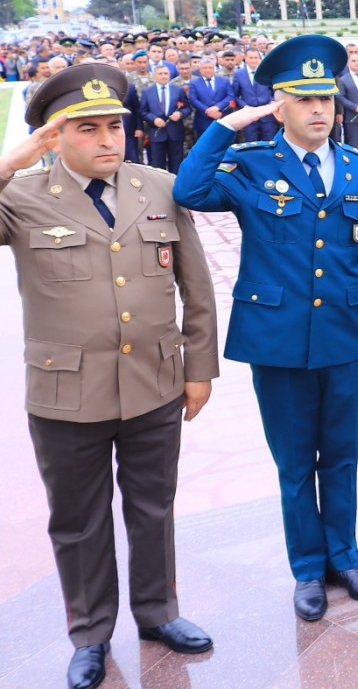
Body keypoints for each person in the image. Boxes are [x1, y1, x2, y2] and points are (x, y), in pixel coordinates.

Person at [0, 64, 219, 689]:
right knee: (78, 519)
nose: (107, 140)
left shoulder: (160, 187)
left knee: (153, 507)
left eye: (115, 128)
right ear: (53, 137)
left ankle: (158, 613)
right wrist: (11, 163)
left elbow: (196, 289)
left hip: (155, 380)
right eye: (87, 129)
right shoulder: (21, 196)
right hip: (66, 391)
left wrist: (199, 368)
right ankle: (91, 633)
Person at [173, 34, 358, 623]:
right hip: (277, 338)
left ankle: (344, 558)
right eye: (303, 99)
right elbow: (187, 190)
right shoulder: (249, 166)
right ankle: (307, 568)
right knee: (296, 462)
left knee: (341, 456)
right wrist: (228, 126)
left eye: (326, 98)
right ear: (280, 104)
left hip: (346, 335)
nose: (320, 110)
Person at [140, 64, 189, 173]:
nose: (163, 76)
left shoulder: (178, 90)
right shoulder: (147, 92)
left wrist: (180, 114)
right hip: (157, 133)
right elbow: (143, 111)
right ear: (154, 76)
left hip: (175, 132)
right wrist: (154, 119)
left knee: (176, 162)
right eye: (160, 74)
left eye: (166, 73)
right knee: (158, 164)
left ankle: (175, 185)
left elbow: (187, 108)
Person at [231, 48, 277, 142]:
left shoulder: (266, 72)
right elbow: (235, 94)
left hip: (266, 113)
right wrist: (244, 106)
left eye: (256, 57)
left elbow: (274, 91)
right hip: (248, 113)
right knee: (251, 142)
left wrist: (271, 102)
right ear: (246, 59)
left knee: (269, 141)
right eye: (251, 57)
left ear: (260, 59)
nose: (253, 60)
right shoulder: (238, 74)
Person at [186, 56, 237, 138]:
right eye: (205, 68)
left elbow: (230, 96)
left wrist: (217, 107)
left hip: (222, 117)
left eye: (210, 67)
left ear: (214, 69)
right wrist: (207, 111)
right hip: (203, 120)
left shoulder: (224, 81)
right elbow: (193, 100)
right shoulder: (194, 83)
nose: (208, 70)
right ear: (200, 70)